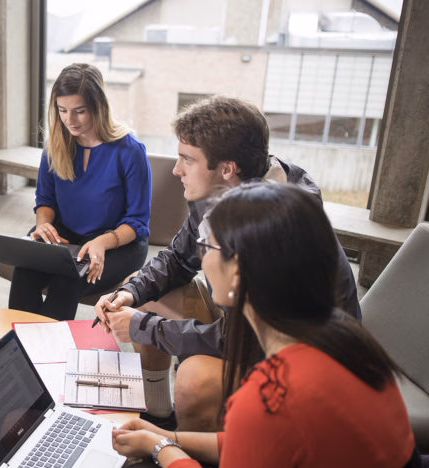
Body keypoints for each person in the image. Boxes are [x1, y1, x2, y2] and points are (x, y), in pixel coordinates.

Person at [103, 182, 429, 468]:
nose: (200, 255)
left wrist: (162, 450)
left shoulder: (269, 393)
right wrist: (167, 437)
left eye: (206, 245)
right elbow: (258, 444)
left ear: (238, 271)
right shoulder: (346, 337)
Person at [94, 95, 361, 431]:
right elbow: (177, 259)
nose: (176, 170)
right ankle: (159, 414)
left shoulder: (278, 228)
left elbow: (242, 337)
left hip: (298, 360)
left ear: (227, 169)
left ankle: (193, 457)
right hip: (243, 320)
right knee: (145, 292)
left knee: (194, 379)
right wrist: (130, 293)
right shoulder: (217, 190)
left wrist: (141, 327)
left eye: (186, 160)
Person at [8, 63, 151, 321]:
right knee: (24, 270)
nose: (69, 120)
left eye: (79, 111)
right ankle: (17, 348)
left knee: (67, 278)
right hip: (68, 235)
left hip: (119, 242)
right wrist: (43, 225)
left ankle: (51, 354)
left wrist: (101, 242)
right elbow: (45, 200)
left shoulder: (130, 151)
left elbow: (138, 222)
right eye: (62, 111)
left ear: (99, 107)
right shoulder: (56, 145)